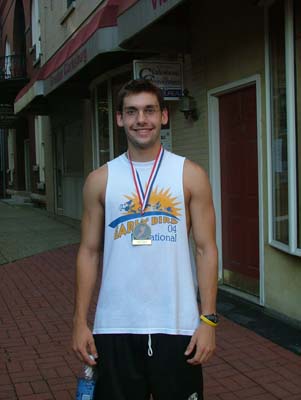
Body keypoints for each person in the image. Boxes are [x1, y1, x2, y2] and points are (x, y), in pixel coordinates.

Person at [72, 79, 218, 400]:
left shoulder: (190, 175)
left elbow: (206, 250)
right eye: (132, 111)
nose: (142, 119)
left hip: (177, 326)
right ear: (119, 119)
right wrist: (80, 322)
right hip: (115, 326)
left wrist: (208, 320)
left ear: (164, 116)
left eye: (149, 110)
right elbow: (89, 252)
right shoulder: (100, 180)